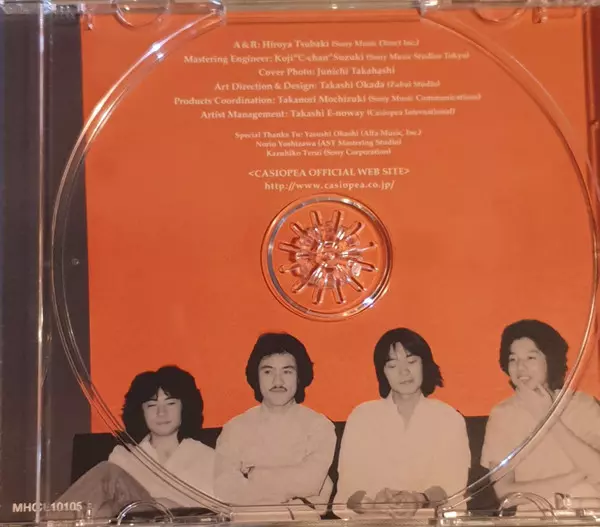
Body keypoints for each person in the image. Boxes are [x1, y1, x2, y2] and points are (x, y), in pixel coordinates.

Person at [335, 328, 471, 516]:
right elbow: (348, 490)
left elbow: (452, 487)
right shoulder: (361, 417)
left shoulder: (449, 418)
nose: (404, 371)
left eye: (411, 361)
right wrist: (372, 504)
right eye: (392, 365)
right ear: (382, 372)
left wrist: (419, 499)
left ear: (424, 364)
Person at [52, 365, 216, 518]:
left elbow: (218, 513)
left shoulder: (207, 457)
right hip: (131, 522)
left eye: (170, 403)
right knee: (105, 502)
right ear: (140, 411)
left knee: (108, 474)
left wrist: (164, 505)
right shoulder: (124, 457)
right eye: (151, 405)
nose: (161, 413)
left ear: (185, 407)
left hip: (181, 522)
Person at [481, 319, 600, 507]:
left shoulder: (583, 405)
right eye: (513, 359)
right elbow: (505, 494)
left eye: (530, 358)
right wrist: (575, 477)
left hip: (585, 512)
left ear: (550, 360)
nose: (520, 367)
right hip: (533, 516)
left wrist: (548, 418)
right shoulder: (502, 414)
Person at [213, 332, 336, 511]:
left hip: (300, 521)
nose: (278, 381)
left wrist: (254, 475)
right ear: (256, 376)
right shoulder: (235, 428)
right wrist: (292, 493)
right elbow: (224, 489)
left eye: (287, 371)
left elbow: (310, 482)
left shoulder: (319, 426)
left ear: (299, 376)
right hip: (247, 519)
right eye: (268, 371)